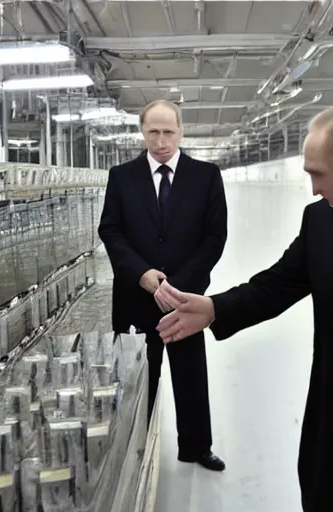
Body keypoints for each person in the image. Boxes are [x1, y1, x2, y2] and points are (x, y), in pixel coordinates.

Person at [155, 106, 333, 512]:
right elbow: (277, 284)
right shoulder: (320, 222)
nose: (313, 189)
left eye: (318, 174)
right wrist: (215, 308)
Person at [98, 99, 228, 471]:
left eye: (168, 132)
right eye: (153, 132)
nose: (161, 141)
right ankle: (137, 445)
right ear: (142, 132)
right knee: (139, 377)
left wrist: (177, 286)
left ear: (180, 131)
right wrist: (141, 274)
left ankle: (196, 446)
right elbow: (110, 230)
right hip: (134, 298)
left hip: (184, 301)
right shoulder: (121, 177)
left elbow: (214, 237)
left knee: (190, 374)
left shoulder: (206, 176)